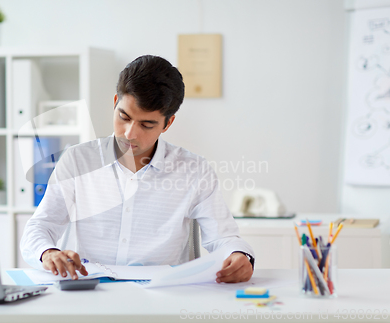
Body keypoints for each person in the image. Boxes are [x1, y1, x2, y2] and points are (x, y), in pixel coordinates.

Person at [20, 55, 255, 284]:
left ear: (168, 123)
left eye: (147, 124)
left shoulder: (194, 170)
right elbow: (41, 226)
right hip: (92, 293)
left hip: (166, 298)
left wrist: (239, 256)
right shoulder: (77, 160)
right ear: (115, 102)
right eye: (124, 117)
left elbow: (223, 238)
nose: (130, 134)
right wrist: (47, 252)